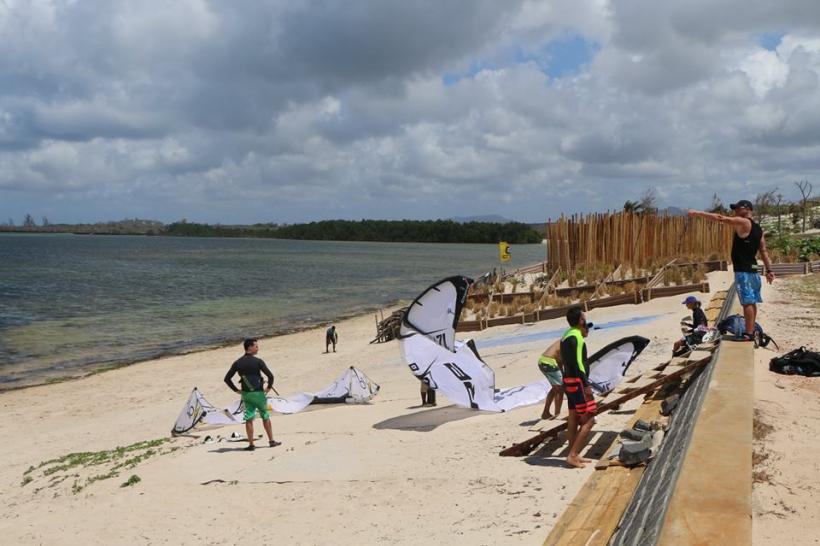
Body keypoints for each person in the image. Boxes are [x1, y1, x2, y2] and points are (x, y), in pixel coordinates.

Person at [687, 200, 774, 342]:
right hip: (753, 270)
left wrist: (697, 213)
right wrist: (769, 270)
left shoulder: (744, 222)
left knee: (747, 302)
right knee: (752, 302)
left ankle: (749, 334)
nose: (735, 212)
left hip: (743, 271)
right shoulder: (758, 229)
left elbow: (720, 218)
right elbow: (763, 251)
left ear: (747, 209)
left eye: (738, 209)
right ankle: (751, 330)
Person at [224, 338, 281, 451]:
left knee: (249, 418)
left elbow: (227, 379)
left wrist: (236, 390)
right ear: (249, 347)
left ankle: (251, 445)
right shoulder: (258, 361)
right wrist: (268, 388)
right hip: (259, 393)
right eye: (256, 346)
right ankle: (271, 441)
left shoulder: (238, 362)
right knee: (265, 416)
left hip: (246, 394)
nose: (257, 348)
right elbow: (270, 376)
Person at [560, 306, 596, 469]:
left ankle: (573, 452)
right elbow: (577, 364)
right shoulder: (576, 338)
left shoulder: (566, 335)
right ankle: (573, 455)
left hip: (568, 381)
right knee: (589, 419)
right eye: (584, 318)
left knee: (573, 417)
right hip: (578, 383)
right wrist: (586, 385)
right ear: (581, 320)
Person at [537, 339, 564, 420]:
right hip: (549, 363)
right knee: (560, 389)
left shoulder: (563, 340)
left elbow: (559, 359)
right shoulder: (568, 341)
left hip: (543, 360)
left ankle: (545, 413)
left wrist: (562, 373)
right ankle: (557, 415)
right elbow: (562, 360)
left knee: (556, 388)